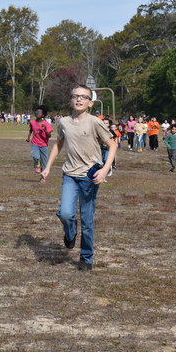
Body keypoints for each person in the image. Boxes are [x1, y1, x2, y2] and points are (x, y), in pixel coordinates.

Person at [40, 85, 117, 272]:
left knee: (87, 219)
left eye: (83, 97)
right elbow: (58, 144)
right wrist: (47, 168)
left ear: (90, 103)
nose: (79, 99)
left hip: (89, 176)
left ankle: (86, 258)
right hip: (70, 175)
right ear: (70, 100)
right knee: (66, 213)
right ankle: (70, 231)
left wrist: (106, 169)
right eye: (75, 96)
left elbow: (112, 144)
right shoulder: (64, 122)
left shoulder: (95, 122)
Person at [26, 105, 53, 175]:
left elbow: (49, 135)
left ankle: (43, 177)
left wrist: (44, 130)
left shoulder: (46, 124)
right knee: (35, 156)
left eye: (40, 112)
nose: (38, 113)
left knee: (44, 162)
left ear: (43, 114)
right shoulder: (32, 122)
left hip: (44, 145)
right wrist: (28, 137)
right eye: (36, 111)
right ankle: (37, 166)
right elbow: (31, 129)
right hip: (35, 143)